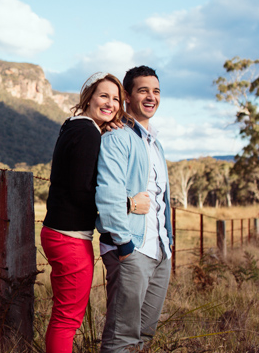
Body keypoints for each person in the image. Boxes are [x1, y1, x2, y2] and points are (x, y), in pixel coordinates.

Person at [41, 72, 150, 353]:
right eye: (104, 96)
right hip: (69, 238)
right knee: (67, 319)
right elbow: (83, 190)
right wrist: (128, 203)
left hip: (58, 233)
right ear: (89, 98)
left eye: (116, 99)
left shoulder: (74, 127)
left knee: (63, 316)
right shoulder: (88, 132)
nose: (111, 103)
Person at [95, 65, 173, 353]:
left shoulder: (156, 145)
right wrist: (124, 245)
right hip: (131, 249)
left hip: (159, 250)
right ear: (127, 96)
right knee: (121, 338)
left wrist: (169, 245)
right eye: (143, 91)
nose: (151, 97)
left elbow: (161, 200)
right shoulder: (117, 138)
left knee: (144, 334)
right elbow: (108, 193)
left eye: (156, 91)